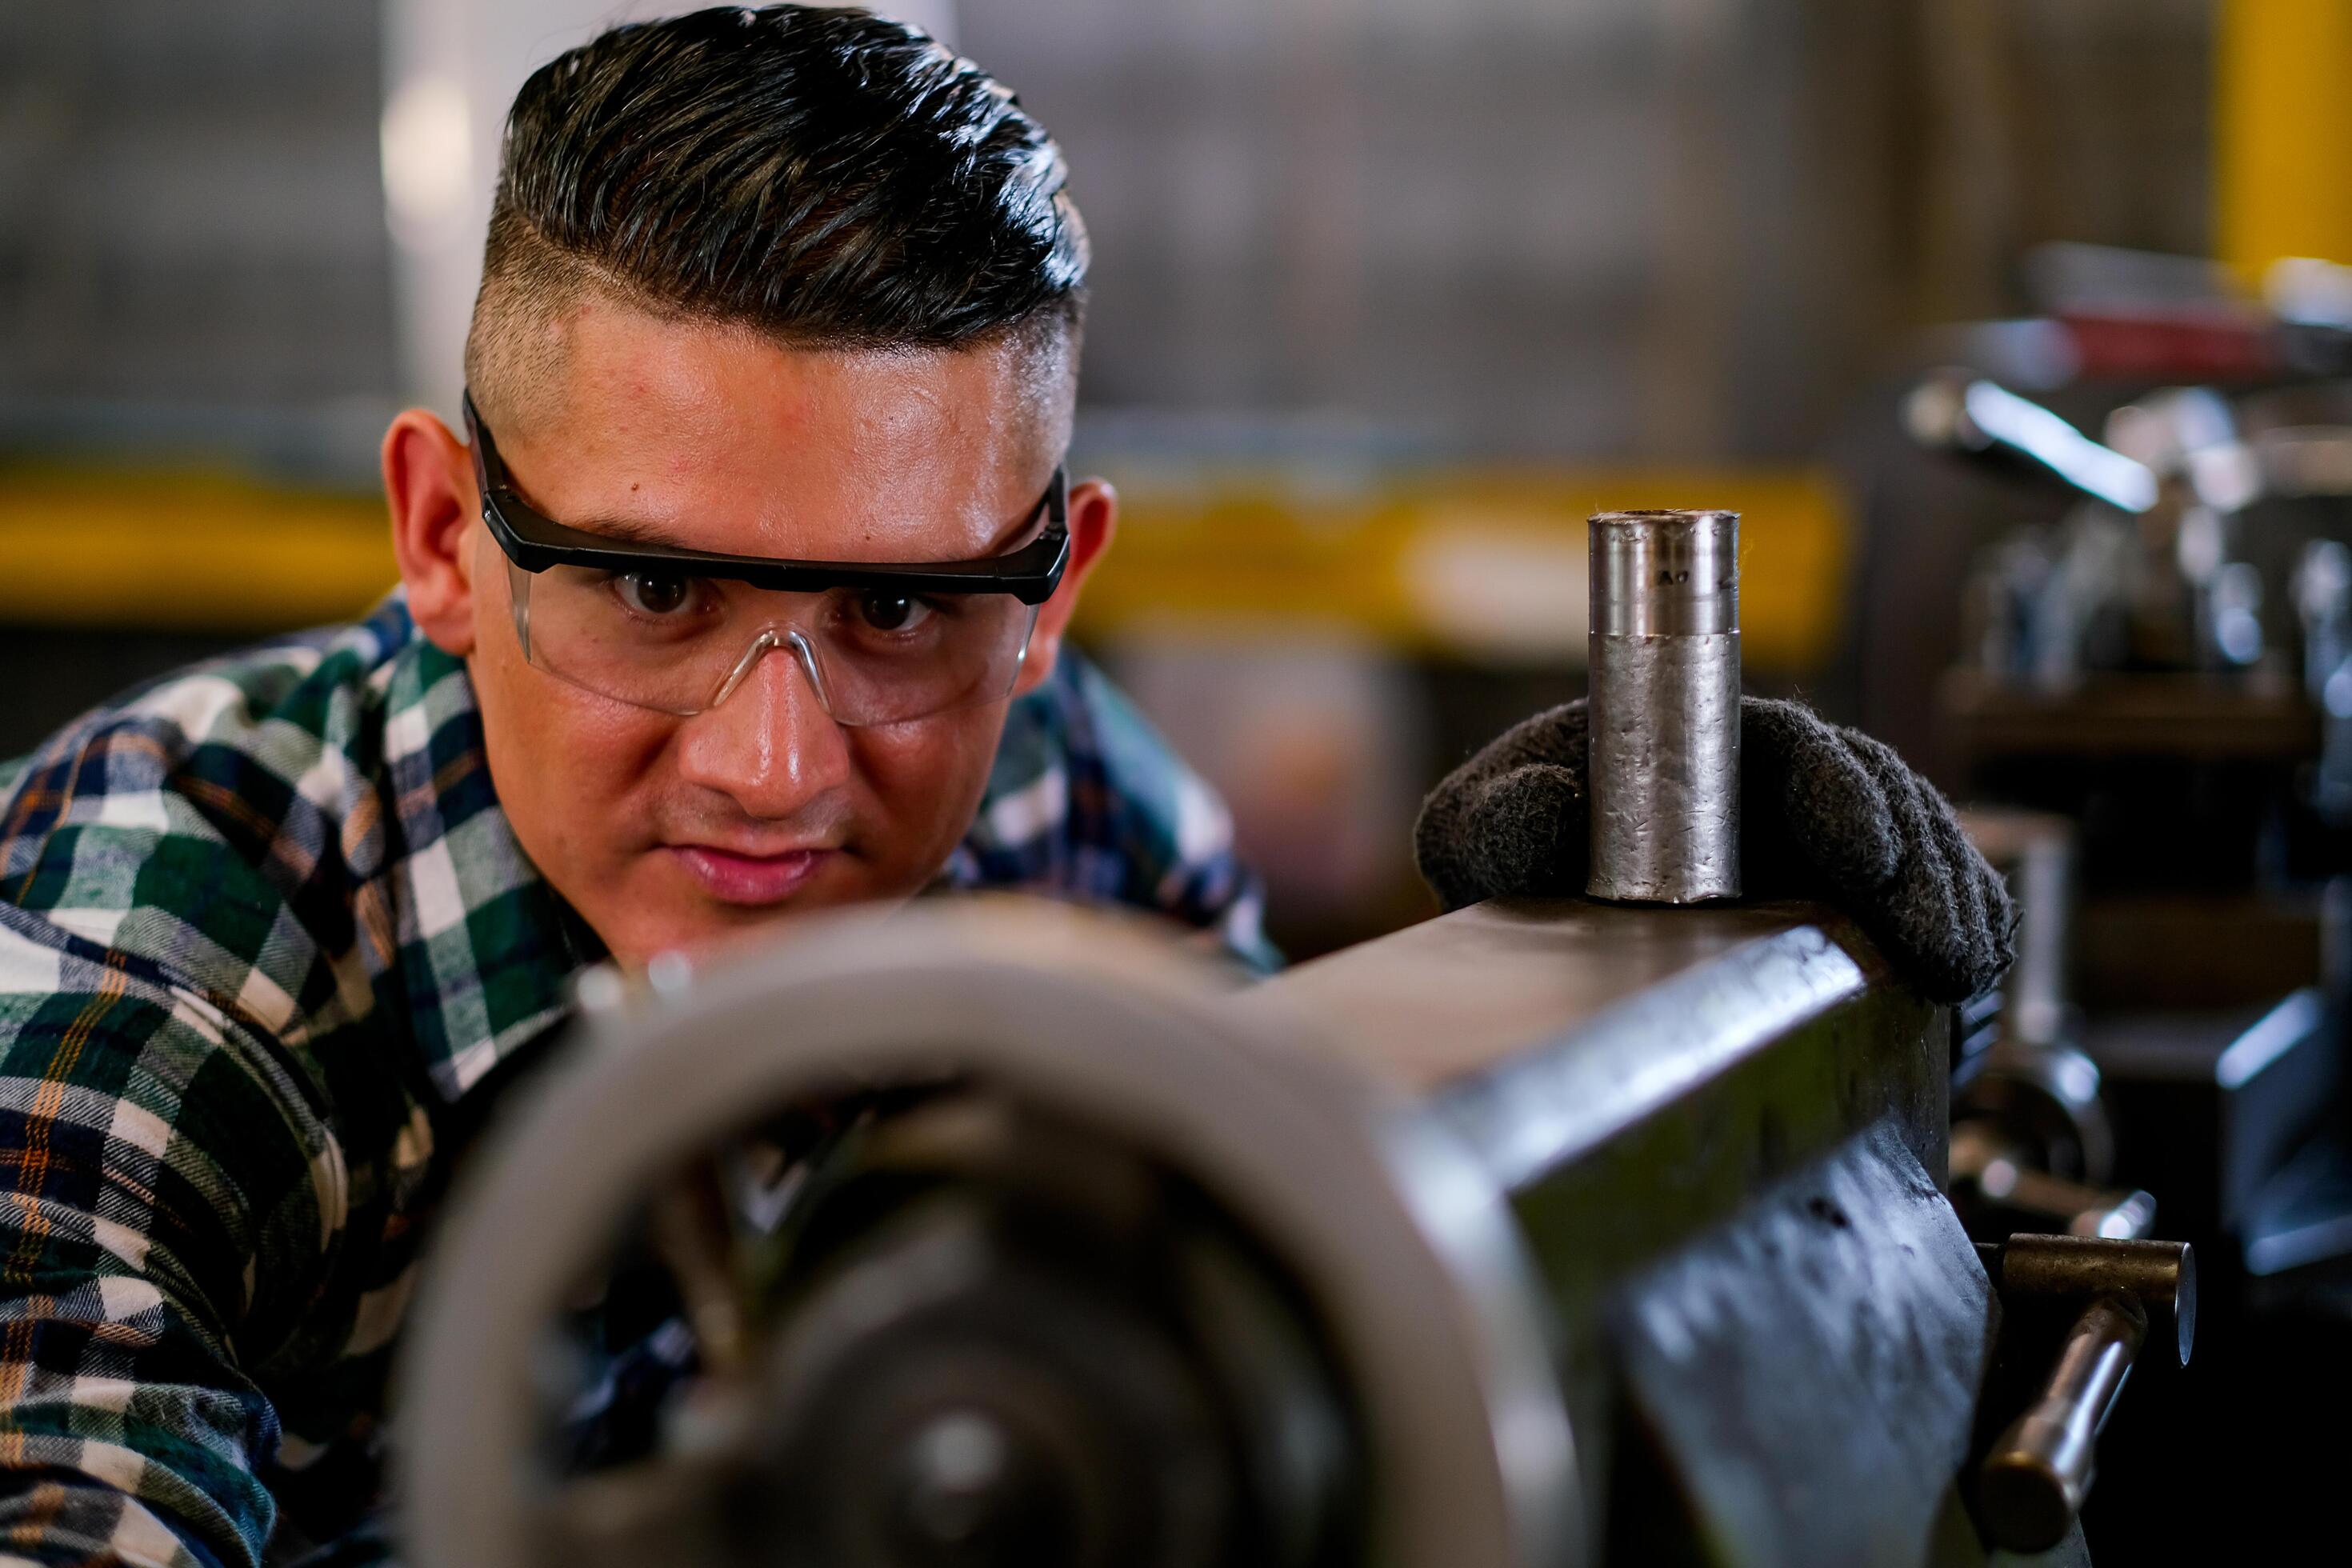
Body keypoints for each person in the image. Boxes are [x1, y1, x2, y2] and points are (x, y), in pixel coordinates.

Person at [0, 7, 2010, 1566]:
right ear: (445, 535)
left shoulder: (1081, 839)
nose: (776, 765)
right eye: (652, 584)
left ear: (1053, 592)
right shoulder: (153, 987)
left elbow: (1321, 1373)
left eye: (899, 604)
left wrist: (1595, 1010)